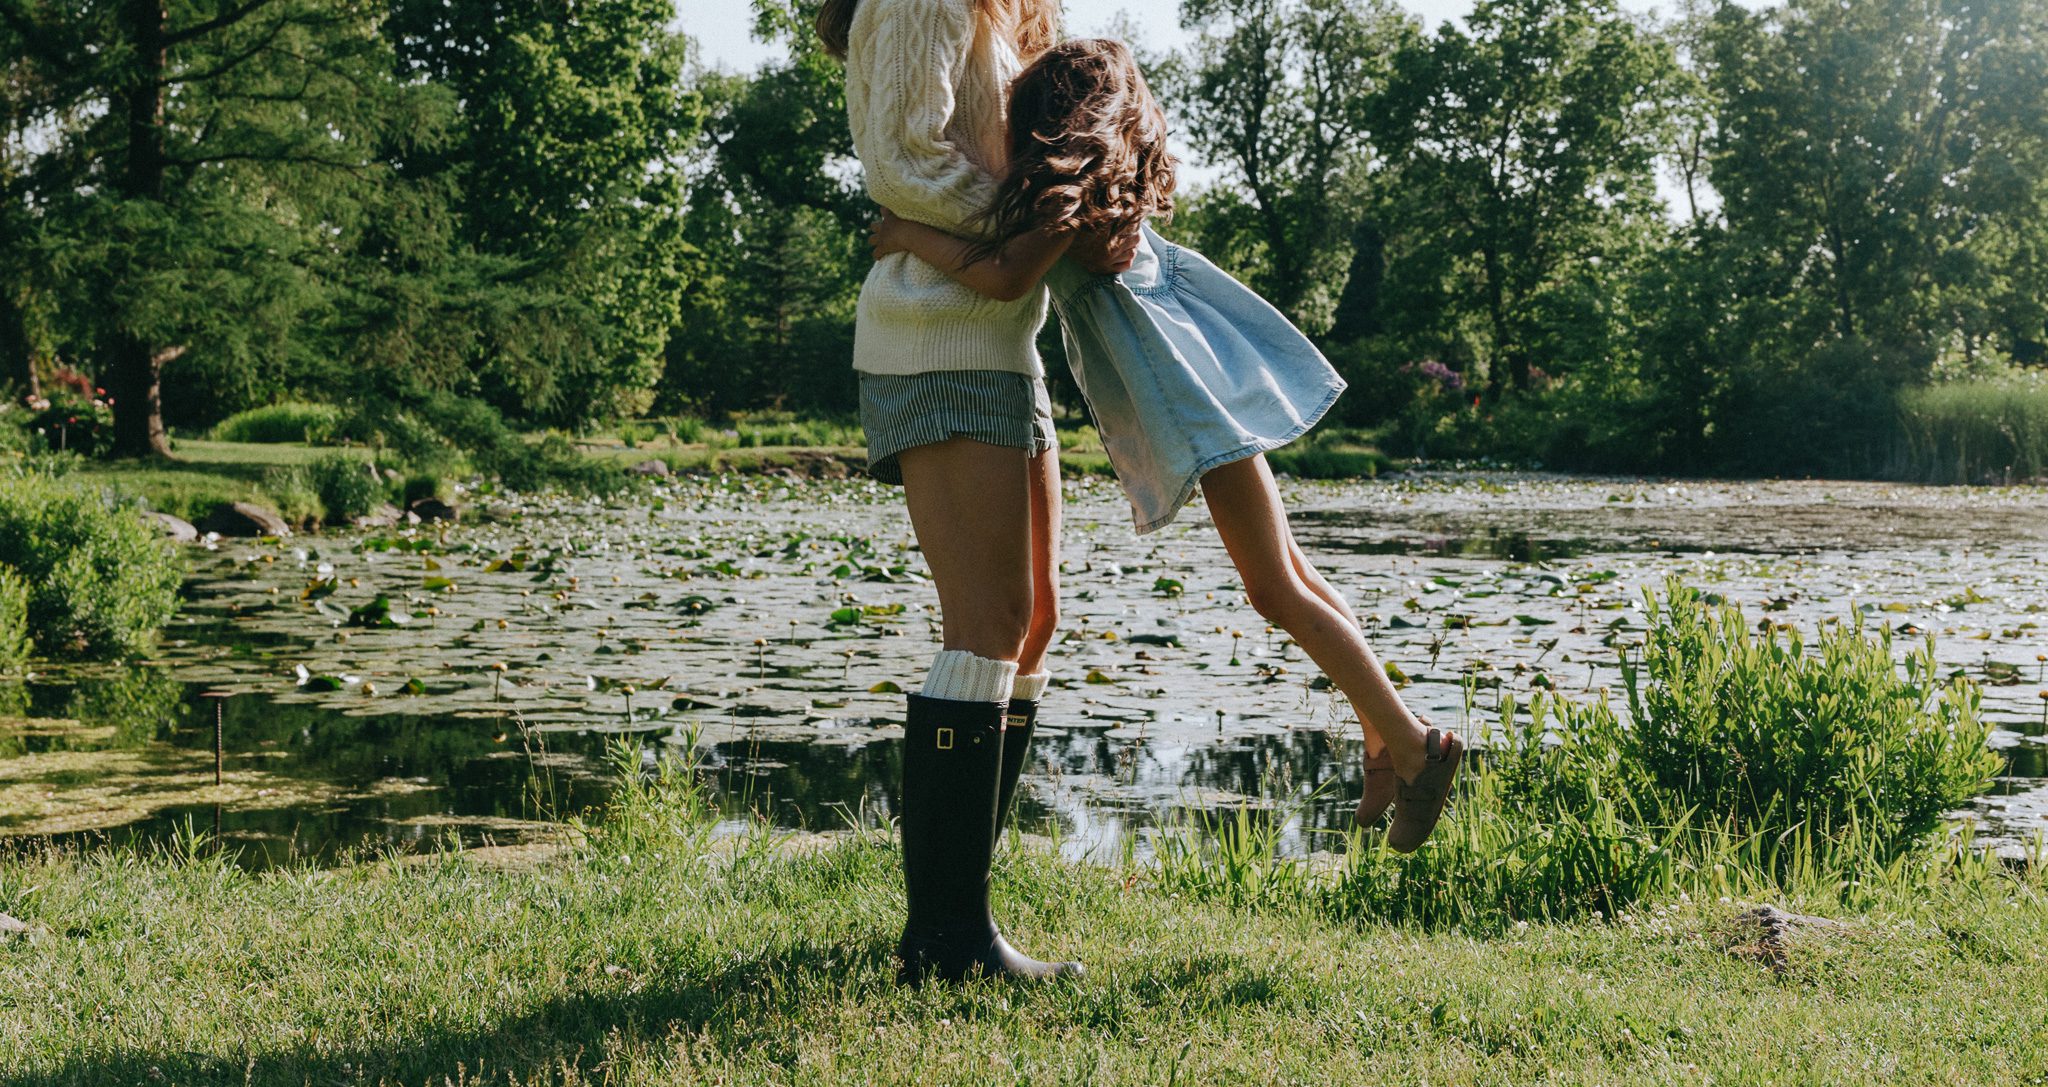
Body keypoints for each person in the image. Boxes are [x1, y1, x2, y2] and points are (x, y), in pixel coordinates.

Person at [869, 38, 1464, 854]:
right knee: (1297, 575)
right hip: (1205, 389)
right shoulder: (1106, 191)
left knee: (1275, 590)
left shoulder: (1069, 203)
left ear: (1050, 124)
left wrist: (908, 234)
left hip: (1192, 407)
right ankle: (1383, 738)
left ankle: (1414, 745)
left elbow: (1005, 277)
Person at [818, 0, 1135, 984]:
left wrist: (1063, 217)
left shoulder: (1002, 12)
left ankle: (956, 911)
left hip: (1000, 335)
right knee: (984, 624)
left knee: (1032, 619)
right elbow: (901, 160)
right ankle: (947, 939)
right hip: (935, 334)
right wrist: (1026, 228)